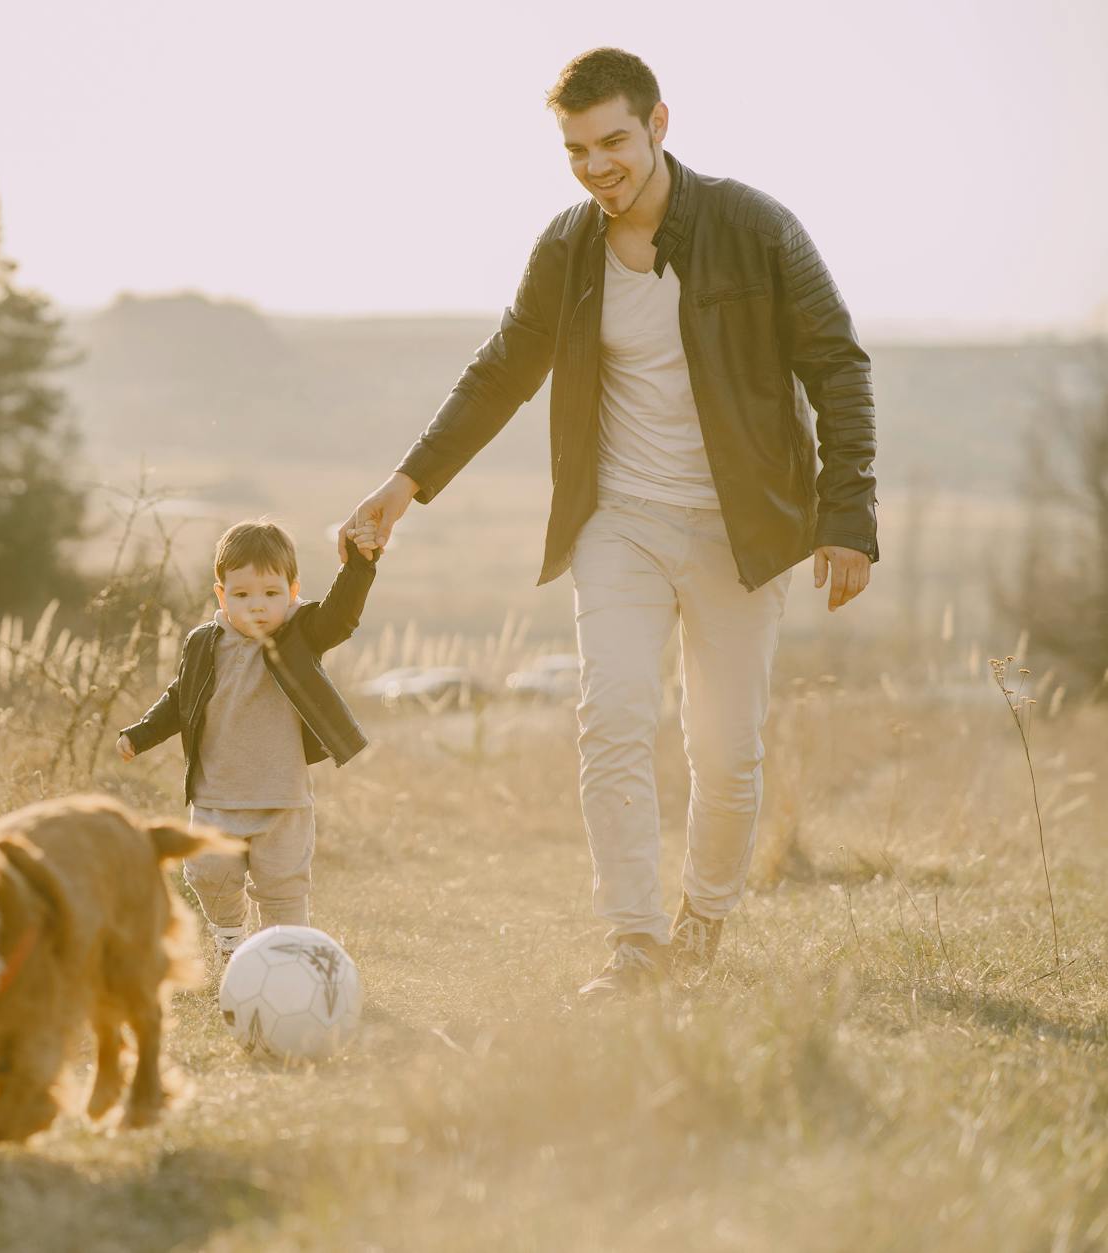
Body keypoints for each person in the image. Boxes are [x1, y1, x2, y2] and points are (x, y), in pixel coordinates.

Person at [337, 48, 878, 1002]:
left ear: (659, 124)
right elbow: (503, 366)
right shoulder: (569, 246)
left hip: (740, 528)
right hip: (618, 518)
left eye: (614, 141)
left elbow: (836, 364)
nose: (597, 167)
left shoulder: (756, 228)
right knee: (613, 718)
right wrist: (405, 483)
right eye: (577, 149)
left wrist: (848, 514)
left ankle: (703, 918)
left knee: (725, 747)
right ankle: (634, 939)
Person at [118, 519, 379, 956]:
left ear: (293, 592)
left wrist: (358, 567)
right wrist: (141, 735)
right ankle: (231, 937)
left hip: (283, 798)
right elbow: (180, 698)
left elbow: (341, 615)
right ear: (221, 595)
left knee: (283, 887)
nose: (257, 607)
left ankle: (289, 962)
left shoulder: (301, 634)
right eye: (241, 595)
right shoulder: (204, 643)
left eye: (271, 594)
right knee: (207, 874)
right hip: (217, 796)